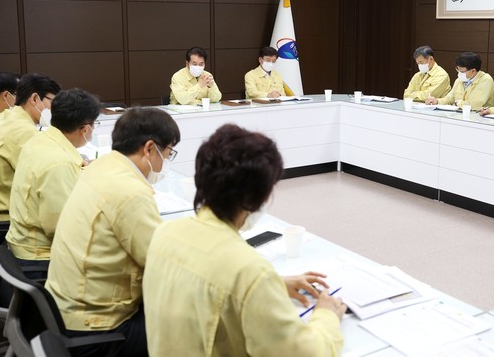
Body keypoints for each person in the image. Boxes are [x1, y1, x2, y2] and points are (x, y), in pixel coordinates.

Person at [144, 124, 346, 356]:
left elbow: (208, 284)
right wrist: (326, 316)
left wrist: (274, 285)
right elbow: (305, 353)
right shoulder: (250, 271)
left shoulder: (165, 233)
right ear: (257, 197)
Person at [45, 107, 181, 357]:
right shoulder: (130, 193)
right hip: (96, 330)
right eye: (168, 152)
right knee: (198, 328)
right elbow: (165, 267)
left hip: (62, 309)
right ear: (149, 148)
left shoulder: (101, 167)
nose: (166, 160)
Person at [6, 89, 101, 278]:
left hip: (23, 243)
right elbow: (63, 230)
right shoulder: (59, 164)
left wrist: (81, 169)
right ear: (85, 129)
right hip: (40, 258)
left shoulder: (42, 139)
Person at [0, 74, 60, 221]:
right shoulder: (23, 130)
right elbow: (47, 178)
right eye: (53, 102)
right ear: (35, 98)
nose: (54, 109)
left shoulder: (8, 116)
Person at [425, 52, 494, 110]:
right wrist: (436, 101)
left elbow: (475, 104)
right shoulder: (459, 80)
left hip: (479, 117)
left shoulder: (486, 80)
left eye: (461, 71)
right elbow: (450, 98)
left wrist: (457, 103)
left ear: (473, 71)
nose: (459, 73)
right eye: (458, 69)